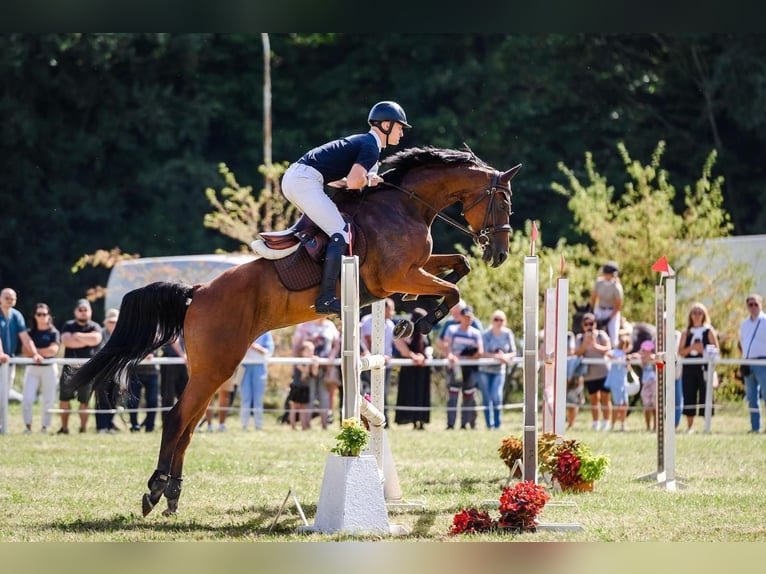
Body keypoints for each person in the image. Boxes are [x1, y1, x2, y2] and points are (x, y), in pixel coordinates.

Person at [280, 100, 411, 315]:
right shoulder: (370, 145)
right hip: (303, 181)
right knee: (341, 233)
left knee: (333, 227)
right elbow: (353, 182)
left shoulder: (365, 143)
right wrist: (369, 181)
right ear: (386, 125)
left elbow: (338, 181)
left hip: (298, 179)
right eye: (400, 127)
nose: (402, 134)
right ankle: (326, 298)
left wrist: (362, 179)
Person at [57, 299, 103, 434]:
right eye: (80, 310)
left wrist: (77, 336)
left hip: (88, 370)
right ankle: (64, 428)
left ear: (90, 312)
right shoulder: (68, 325)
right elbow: (67, 341)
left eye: (85, 310)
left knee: (85, 402)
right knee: (64, 400)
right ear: (75, 312)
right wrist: (86, 340)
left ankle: (83, 428)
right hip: (69, 370)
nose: (83, 313)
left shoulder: (95, 326)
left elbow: (96, 340)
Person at [291, 317, 339, 430]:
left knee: (324, 396)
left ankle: (325, 425)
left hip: (324, 368)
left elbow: (336, 344)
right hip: (306, 369)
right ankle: (306, 425)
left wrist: (331, 356)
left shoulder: (330, 325)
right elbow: (295, 347)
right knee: (308, 396)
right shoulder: (303, 326)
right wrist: (296, 366)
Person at [678, 302, 719, 434]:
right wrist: (692, 348)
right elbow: (681, 352)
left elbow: (717, 351)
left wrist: (703, 351)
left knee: (705, 394)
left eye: (699, 313)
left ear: (704, 315)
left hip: (704, 367)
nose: (696, 315)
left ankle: (706, 426)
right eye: (694, 313)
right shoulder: (686, 332)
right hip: (689, 367)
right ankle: (690, 427)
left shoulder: (709, 331)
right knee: (689, 394)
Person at [1, 287, 45, 406]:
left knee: (3, 396)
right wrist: (0, 353)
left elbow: (25, 337)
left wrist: (35, 353)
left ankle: (1, 424)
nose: (10, 300)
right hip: (2, 357)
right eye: (7, 298)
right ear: (0, 299)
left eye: (13, 298)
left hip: (8, 360)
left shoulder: (16, 315)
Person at [21, 303, 60, 434]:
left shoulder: (54, 332)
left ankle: (44, 427)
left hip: (49, 368)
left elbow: (53, 350)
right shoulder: (29, 332)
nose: (42, 316)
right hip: (32, 368)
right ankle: (28, 426)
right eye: (39, 314)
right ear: (35, 316)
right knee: (27, 398)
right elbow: (25, 351)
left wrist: (35, 352)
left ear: (49, 316)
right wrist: (36, 354)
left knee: (48, 399)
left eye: (44, 314)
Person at [443, 305, 484, 430]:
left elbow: (480, 352)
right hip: (455, 367)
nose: (467, 319)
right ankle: (450, 424)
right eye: (465, 317)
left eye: (469, 317)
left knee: (469, 396)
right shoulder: (452, 329)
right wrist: (451, 356)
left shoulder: (476, 333)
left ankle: (464, 424)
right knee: (453, 396)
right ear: (461, 317)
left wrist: (469, 355)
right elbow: (446, 345)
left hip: (470, 369)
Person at [393, 307, 433, 430]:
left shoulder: (425, 333)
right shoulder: (407, 331)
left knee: (422, 394)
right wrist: (413, 356)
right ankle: (412, 420)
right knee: (410, 394)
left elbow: (429, 347)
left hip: (422, 368)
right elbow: (398, 343)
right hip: (409, 369)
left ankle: (421, 421)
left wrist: (426, 357)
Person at [478, 309, 516, 429]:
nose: (498, 322)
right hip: (485, 370)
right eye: (496, 319)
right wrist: (497, 356)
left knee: (496, 396)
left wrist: (504, 357)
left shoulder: (508, 334)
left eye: (501, 320)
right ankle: (489, 424)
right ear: (492, 321)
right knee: (486, 397)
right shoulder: (485, 334)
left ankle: (498, 424)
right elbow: (482, 352)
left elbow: (513, 352)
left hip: (499, 370)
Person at [574, 311, 612, 431]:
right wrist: (585, 344)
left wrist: (595, 345)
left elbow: (608, 349)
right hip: (589, 374)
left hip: (604, 372)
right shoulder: (580, 338)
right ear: (583, 326)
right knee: (594, 399)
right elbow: (577, 353)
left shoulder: (601, 335)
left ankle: (606, 422)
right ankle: (596, 422)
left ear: (595, 324)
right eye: (586, 324)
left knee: (606, 398)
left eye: (592, 323)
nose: (589, 326)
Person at [360, 298, 396, 425]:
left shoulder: (390, 324)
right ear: (382, 309)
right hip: (371, 362)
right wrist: (380, 357)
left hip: (385, 363)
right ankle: (368, 419)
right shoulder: (367, 321)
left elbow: (393, 344)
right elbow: (369, 341)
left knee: (384, 393)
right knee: (370, 392)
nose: (392, 312)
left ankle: (384, 419)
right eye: (390, 309)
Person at [739, 294, 766, 433]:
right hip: (748, 362)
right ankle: (755, 427)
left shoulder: (765, 321)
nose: (753, 307)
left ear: (761, 304)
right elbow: (742, 342)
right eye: (750, 304)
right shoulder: (744, 324)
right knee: (751, 397)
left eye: (756, 304)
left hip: (763, 362)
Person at [240, 331, 275, 431]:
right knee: (245, 398)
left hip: (259, 367)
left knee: (258, 399)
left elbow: (269, 351)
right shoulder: (245, 329)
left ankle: (258, 426)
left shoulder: (266, 333)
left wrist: (254, 346)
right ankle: (244, 425)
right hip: (244, 366)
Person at [94, 308, 120, 434]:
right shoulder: (100, 334)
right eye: (111, 322)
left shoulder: (122, 335)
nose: (113, 324)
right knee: (101, 400)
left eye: (115, 322)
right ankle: (101, 427)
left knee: (114, 400)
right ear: (105, 322)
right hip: (101, 372)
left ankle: (110, 425)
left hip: (116, 372)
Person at [590, 261, 624, 347]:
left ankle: (613, 346)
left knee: (613, 336)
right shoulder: (599, 282)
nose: (604, 274)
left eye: (606, 273)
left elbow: (618, 306)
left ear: (611, 274)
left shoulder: (617, 287)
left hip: (612, 312)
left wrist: (608, 319)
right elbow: (594, 297)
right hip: (600, 309)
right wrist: (592, 311)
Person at [605, 333, 633, 432]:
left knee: (625, 403)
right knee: (618, 404)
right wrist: (618, 359)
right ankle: (612, 425)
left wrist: (627, 361)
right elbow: (608, 354)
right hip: (615, 382)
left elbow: (628, 369)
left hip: (623, 381)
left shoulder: (625, 355)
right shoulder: (616, 352)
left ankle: (622, 424)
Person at [288, 340, 318, 430]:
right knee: (294, 407)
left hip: (305, 387)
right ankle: (292, 426)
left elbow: (314, 374)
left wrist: (315, 364)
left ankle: (303, 426)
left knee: (303, 407)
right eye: (308, 351)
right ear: (302, 352)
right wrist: (311, 363)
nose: (311, 353)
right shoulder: (299, 360)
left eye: (312, 351)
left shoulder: (311, 361)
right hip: (296, 386)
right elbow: (304, 370)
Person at [127, 352, 159, 433]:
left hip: (152, 373)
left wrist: (152, 354)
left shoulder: (155, 338)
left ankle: (150, 427)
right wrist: (141, 355)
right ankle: (134, 426)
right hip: (135, 373)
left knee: (152, 400)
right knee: (133, 400)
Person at [159, 335, 188, 424]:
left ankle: (182, 420)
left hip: (181, 362)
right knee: (168, 394)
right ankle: (167, 422)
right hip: (170, 360)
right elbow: (173, 338)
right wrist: (182, 355)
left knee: (184, 394)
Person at [637, 340, 658, 431]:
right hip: (645, 384)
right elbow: (641, 360)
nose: (646, 352)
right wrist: (643, 356)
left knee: (655, 406)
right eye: (644, 350)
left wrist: (648, 356)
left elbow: (654, 358)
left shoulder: (654, 357)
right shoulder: (642, 359)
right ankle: (648, 426)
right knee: (647, 406)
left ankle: (656, 426)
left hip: (654, 383)